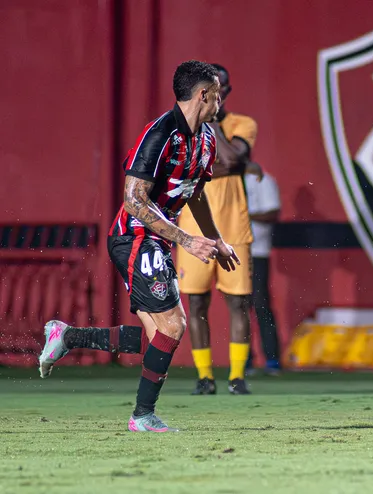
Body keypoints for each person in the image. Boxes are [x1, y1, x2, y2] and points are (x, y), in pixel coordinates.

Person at [38, 60, 238, 432]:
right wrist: (187, 240)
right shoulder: (159, 135)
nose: (222, 99)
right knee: (175, 326)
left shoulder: (207, 139)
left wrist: (216, 239)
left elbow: (193, 194)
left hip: (159, 240)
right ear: (203, 94)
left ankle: (67, 336)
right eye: (218, 93)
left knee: (158, 341)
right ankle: (142, 416)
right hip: (134, 237)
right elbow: (133, 200)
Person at [176, 63, 263, 395]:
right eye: (212, 89)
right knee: (196, 302)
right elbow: (208, 165)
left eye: (222, 88)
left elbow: (236, 160)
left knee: (238, 302)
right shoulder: (181, 127)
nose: (218, 94)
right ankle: (204, 376)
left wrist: (210, 122)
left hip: (233, 226)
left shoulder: (242, 124)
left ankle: (238, 376)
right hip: (193, 228)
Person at [243, 172, 282, 375]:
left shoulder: (261, 179)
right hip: (232, 251)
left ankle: (272, 360)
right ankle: (244, 360)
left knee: (260, 303)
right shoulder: (222, 181)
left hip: (257, 252)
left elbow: (272, 213)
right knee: (239, 306)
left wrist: (242, 214)